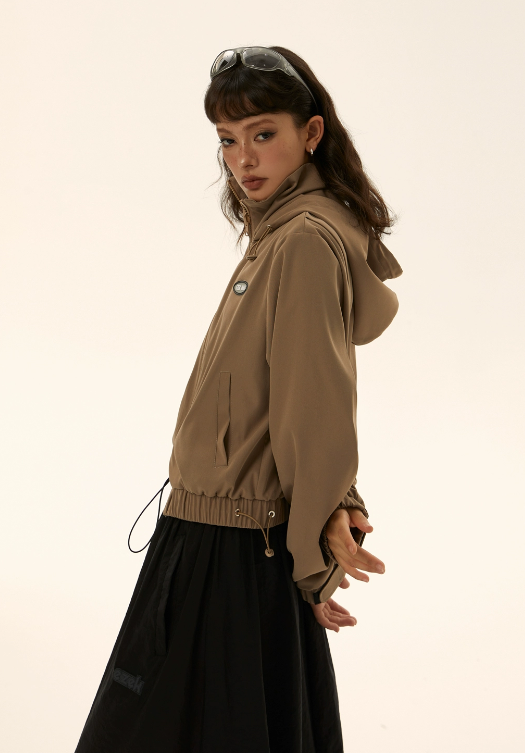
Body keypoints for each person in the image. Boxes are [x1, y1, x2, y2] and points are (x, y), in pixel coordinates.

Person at [73, 45, 403, 753]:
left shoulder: (302, 242)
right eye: (227, 140)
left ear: (310, 134)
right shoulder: (277, 233)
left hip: (232, 544)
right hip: (215, 529)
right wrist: (331, 508)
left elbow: (313, 402)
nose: (242, 159)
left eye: (262, 134)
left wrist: (315, 557)